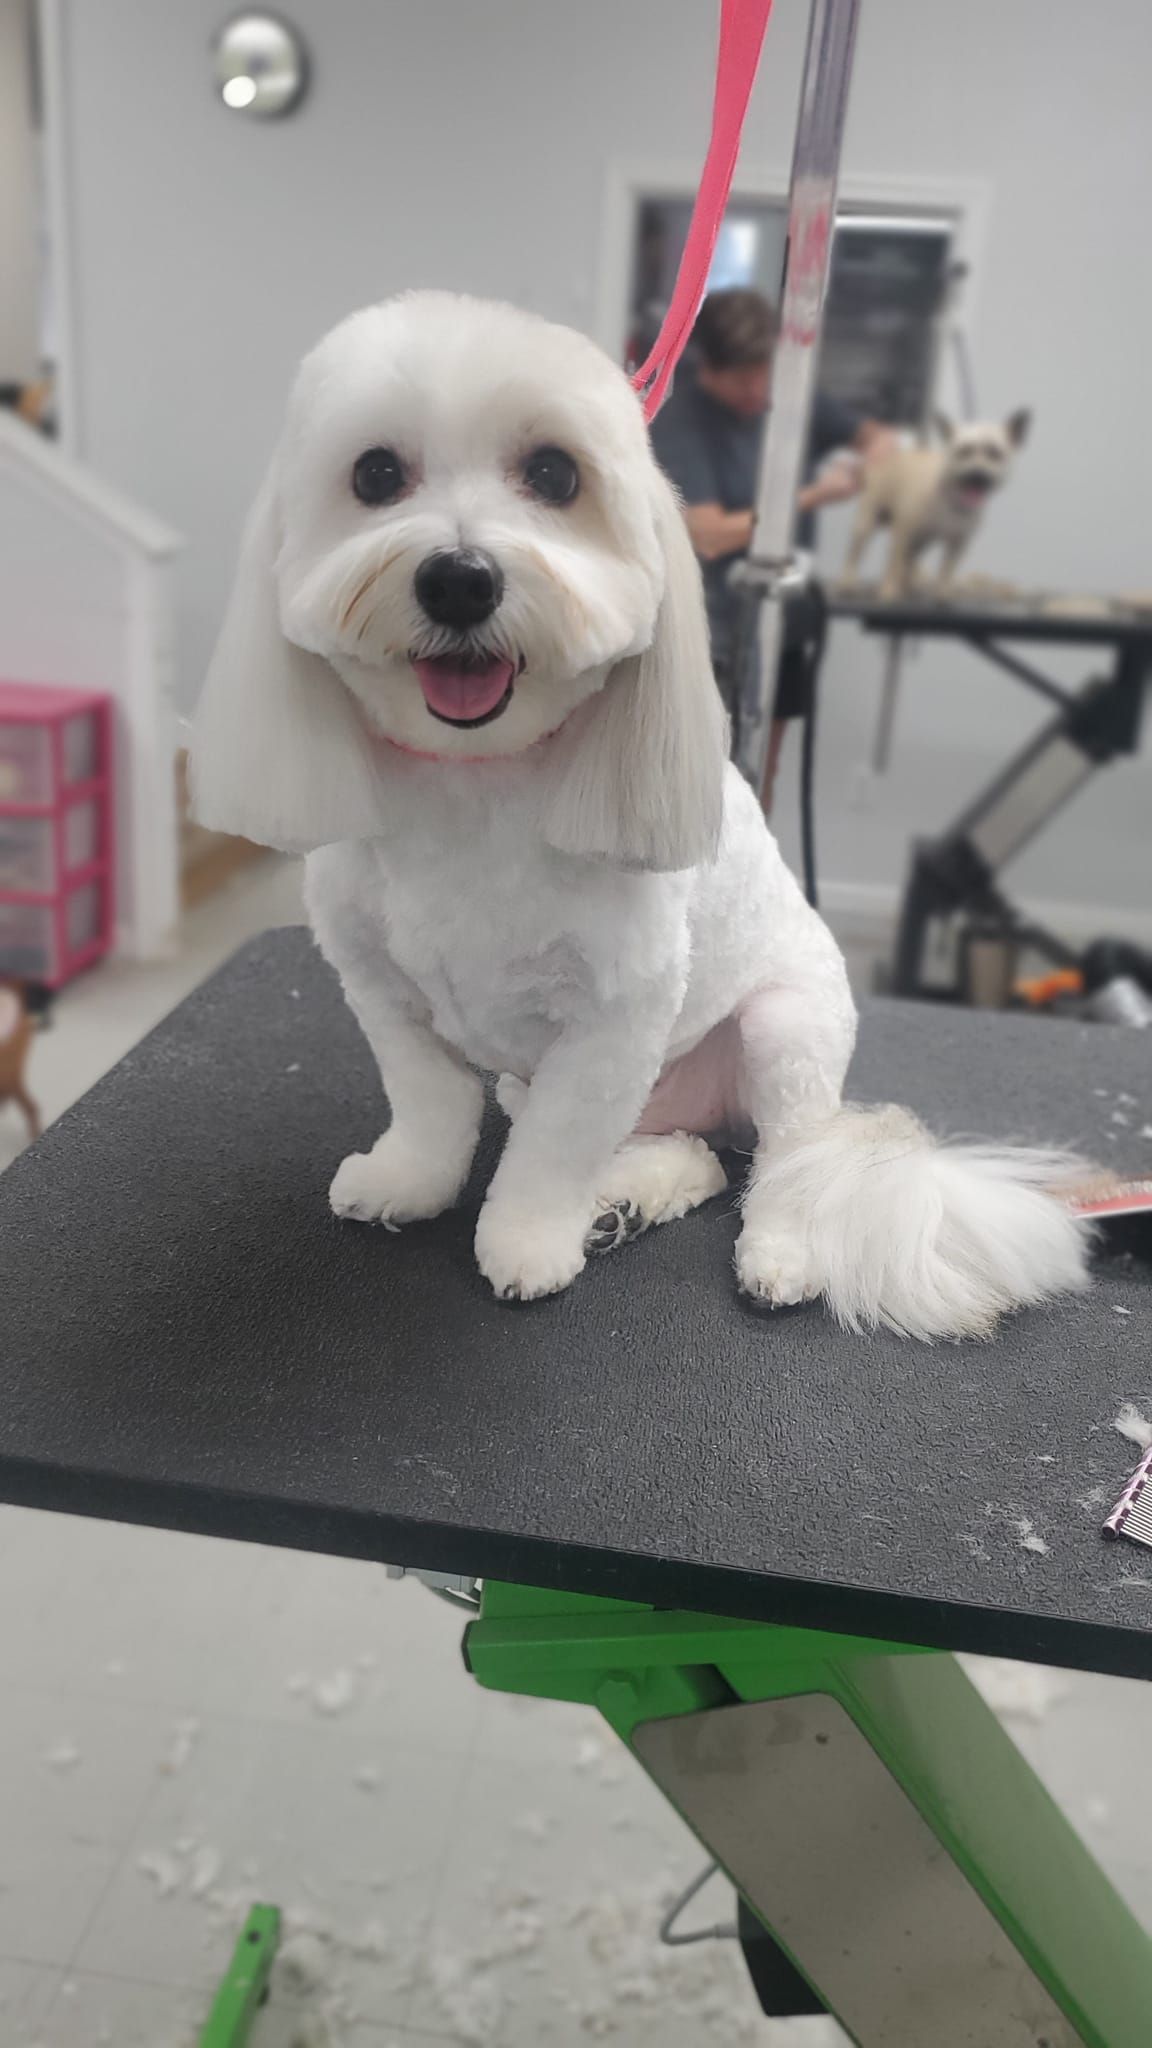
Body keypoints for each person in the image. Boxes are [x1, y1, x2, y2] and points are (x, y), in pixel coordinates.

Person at [649, 287, 895, 809]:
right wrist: (814, 495)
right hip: (715, 633)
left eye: (767, 372)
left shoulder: (789, 396)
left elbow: (878, 439)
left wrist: (869, 460)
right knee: (706, 776)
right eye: (743, 378)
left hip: (786, 620)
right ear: (708, 369)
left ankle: (749, 883)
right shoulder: (682, 425)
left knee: (763, 774)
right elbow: (710, 535)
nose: (759, 390)